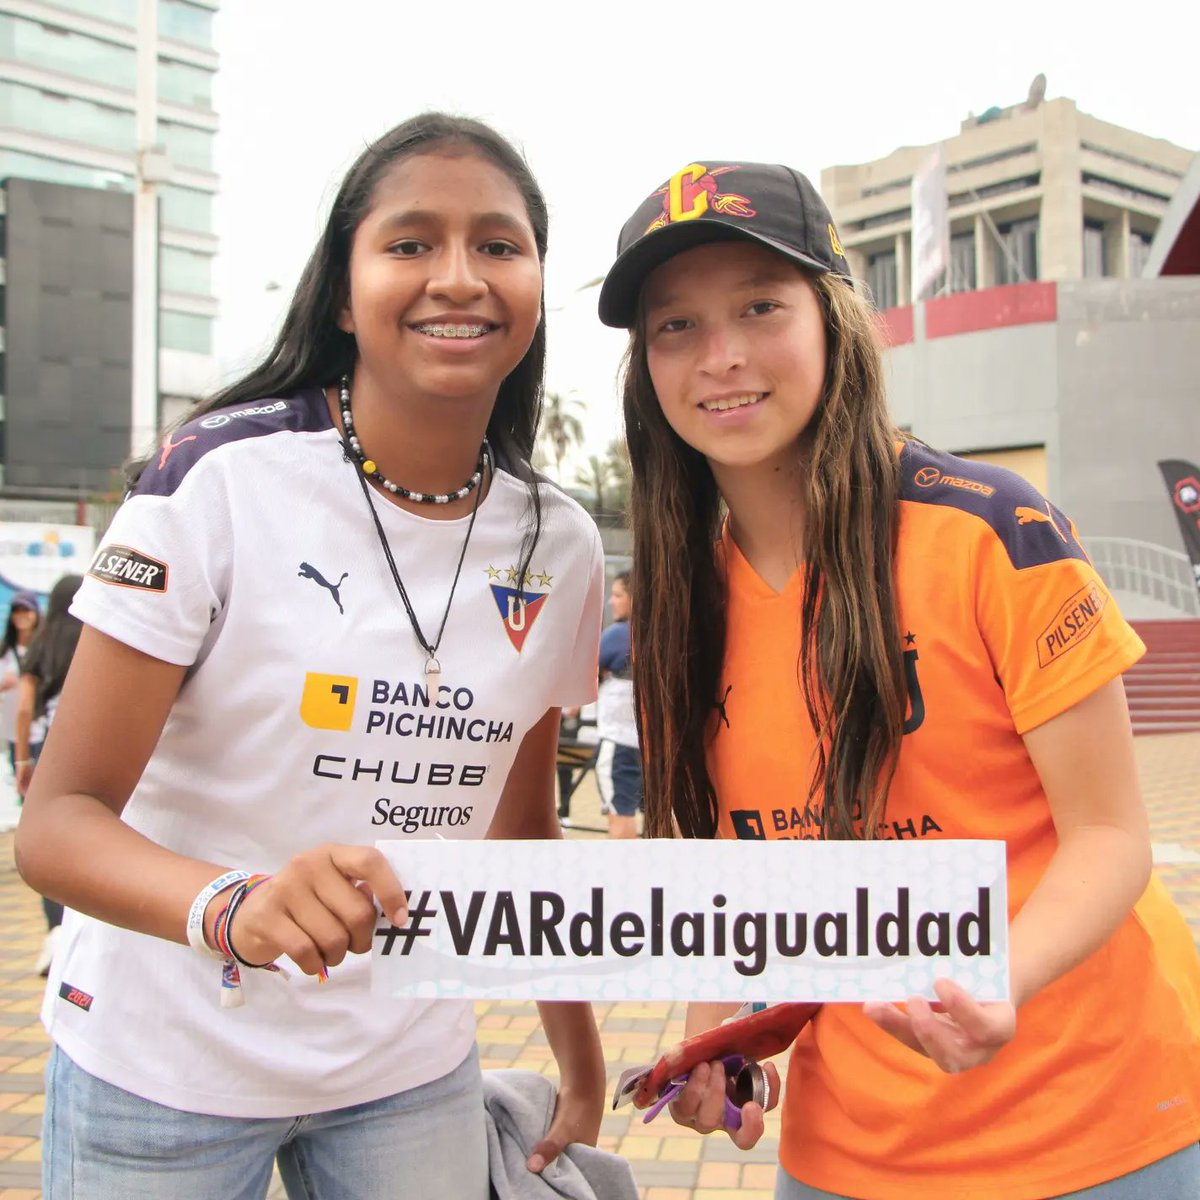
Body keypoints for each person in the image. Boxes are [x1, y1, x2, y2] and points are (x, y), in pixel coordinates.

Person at [15, 113, 607, 1200]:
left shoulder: (558, 543)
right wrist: (233, 906)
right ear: (344, 291)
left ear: (536, 286)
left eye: (499, 245)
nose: (459, 277)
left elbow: (522, 833)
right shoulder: (218, 479)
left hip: (407, 1067)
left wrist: (580, 1055)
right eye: (411, 243)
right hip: (162, 1066)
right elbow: (57, 827)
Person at [597, 159, 1200, 1199]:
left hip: (1108, 1126)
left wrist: (993, 984)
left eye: (760, 306)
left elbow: (1110, 838)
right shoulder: (675, 604)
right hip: (852, 1154)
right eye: (676, 326)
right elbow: (716, 863)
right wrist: (716, 1041)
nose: (723, 356)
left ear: (833, 321)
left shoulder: (991, 530)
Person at [595, 571, 642, 838]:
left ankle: (627, 877)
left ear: (634, 599)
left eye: (617, 595)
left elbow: (587, 672)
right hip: (653, 745)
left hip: (620, 742)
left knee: (620, 813)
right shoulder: (660, 633)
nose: (611, 602)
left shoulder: (617, 635)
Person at [0, 589, 41, 775]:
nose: (21, 615)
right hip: (11, 725)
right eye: (17, 610)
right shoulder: (5, 649)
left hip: (38, 725)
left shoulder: (44, 647)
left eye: (26, 610)